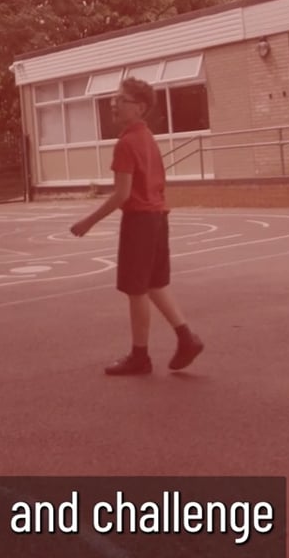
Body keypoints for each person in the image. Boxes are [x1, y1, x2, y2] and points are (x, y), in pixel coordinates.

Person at [70, 76, 203, 376]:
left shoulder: (127, 143)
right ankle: (187, 338)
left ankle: (140, 356)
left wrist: (87, 222)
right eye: (114, 99)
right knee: (154, 284)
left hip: (140, 221)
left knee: (136, 289)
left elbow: (122, 194)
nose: (114, 104)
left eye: (122, 100)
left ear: (139, 108)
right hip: (158, 217)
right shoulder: (148, 138)